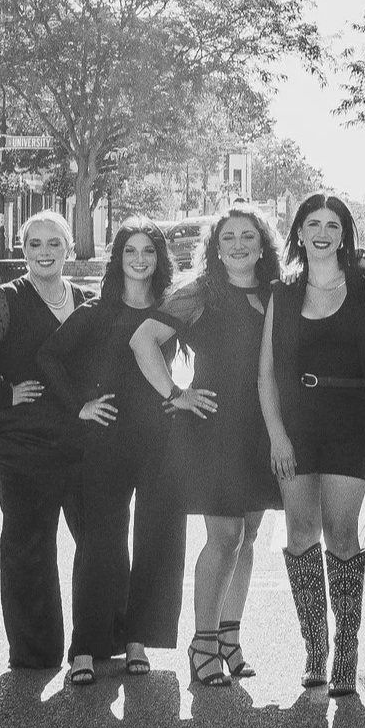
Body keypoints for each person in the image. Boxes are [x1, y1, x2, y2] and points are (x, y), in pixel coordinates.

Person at [131, 204, 283, 687]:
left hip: (264, 427)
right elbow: (142, 341)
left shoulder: (276, 293)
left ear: (263, 245)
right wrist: (176, 393)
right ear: (215, 247)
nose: (238, 245)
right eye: (228, 238)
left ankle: (230, 638)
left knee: (251, 535)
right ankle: (203, 644)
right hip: (215, 428)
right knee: (224, 538)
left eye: (247, 237)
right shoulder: (199, 293)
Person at [257, 192, 365, 696]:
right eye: (313, 223)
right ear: (299, 232)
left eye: (332, 224)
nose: (322, 232)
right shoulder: (282, 292)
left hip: (351, 422)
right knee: (300, 534)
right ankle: (314, 646)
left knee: (341, 533)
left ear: (344, 234)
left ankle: (347, 648)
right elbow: (266, 376)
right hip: (295, 425)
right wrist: (277, 434)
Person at [38, 217, 184, 684]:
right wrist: (78, 406)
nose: (139, 260)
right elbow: (49, 358)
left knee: (156, 539)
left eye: (148, 252)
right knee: (101, 544)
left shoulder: (168, 310)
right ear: (117, 258)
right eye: (130, 251)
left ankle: (137, 639)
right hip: (106, 436)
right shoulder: (95, 312)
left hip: (159, 438)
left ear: (159, 260)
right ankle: (85, 647)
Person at [0, 211, 92, 671]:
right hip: (21, 440)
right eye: (35, 244)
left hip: (79, 435)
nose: (45, 252)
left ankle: (95, 642)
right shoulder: (6, 300)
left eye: (55, 243)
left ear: (70, 249)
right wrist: (1, 391)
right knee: (30, 542)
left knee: (95, 538)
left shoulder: (85, 299)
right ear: (23, 249)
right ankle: (36, 651)